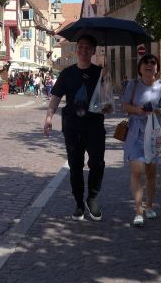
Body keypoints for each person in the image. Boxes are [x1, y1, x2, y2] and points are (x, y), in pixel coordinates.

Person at [44, 35, 108, 221]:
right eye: (81, 46)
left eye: (88, 47)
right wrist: (49, 117)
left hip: (95, 126)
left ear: (93, 51)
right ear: (76, 49)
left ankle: (92, 198)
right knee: (75, 166)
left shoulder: (100, 73)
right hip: (72, 127)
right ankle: (79, 203)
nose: (83, 50)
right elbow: (56, 97)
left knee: (97, 163)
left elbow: (108, 104)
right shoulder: (67, 73)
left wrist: (107, 80)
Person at [121, 54, 161, 227]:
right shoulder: (133, 85)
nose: (149, 65)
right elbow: (125, 106)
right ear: (140, 67)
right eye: (146, 62)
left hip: (154, 133)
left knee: (151, 173)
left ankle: (149, 206)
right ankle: (138, 211)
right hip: (135, 133)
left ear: (157, 68)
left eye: (153, 63)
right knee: (137, 171)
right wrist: (138, 110)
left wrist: (156, 111)